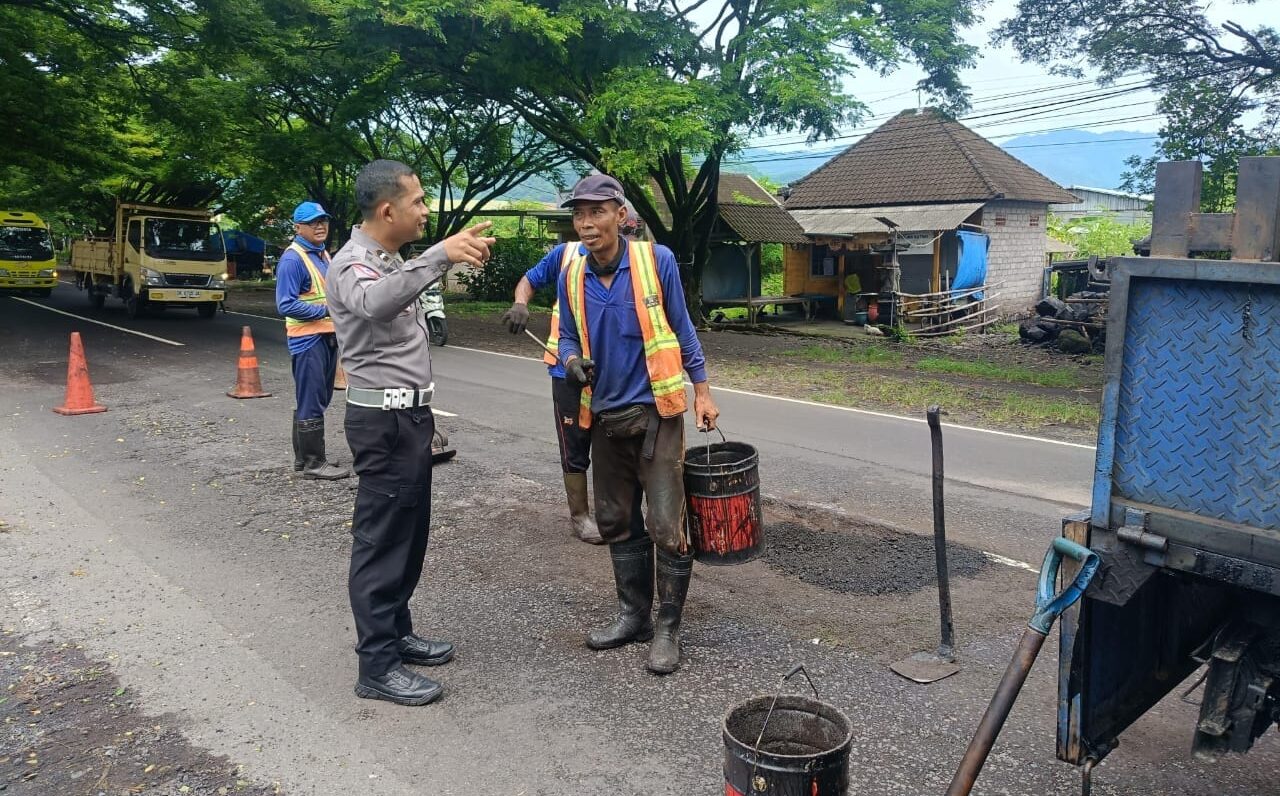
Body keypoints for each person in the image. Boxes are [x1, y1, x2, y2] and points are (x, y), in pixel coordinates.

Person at [327, 159, 495, 706]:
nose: (425, 210)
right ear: (387, 210)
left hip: (411, 420)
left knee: (409, 534)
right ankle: (375, 665)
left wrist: (433, 259)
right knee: (381, 541)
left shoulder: (390, 261)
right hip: (383, 421)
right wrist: (438, 255)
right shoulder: (353, 264)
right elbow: (377, 305)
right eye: (418, 202)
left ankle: (396, 632)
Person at [556, 174, 720, 675]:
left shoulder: (656, 261)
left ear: (621, 215)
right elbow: (565, 336)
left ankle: (668, 627)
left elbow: (682, 328)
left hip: (657, 417)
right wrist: (570, 361)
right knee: (617, 522)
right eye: (580, 214)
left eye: (598, 212)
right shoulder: (572, 275)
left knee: (667, 526)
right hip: (603, 417)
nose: (587, 223)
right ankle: (634, 616)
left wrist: (703, 390)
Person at [500, 240, 607, 545]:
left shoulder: (634, 260)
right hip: (566, 370)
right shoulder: (566, 254)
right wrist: (521, 303)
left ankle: (611, 511)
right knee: (575, 444)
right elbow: (528, 280)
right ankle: (580, 517)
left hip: (609, 371)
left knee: (610, 444)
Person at [275, 201, 350, 480]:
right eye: (312, 222)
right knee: (311, 400)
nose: (320, 226)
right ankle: (313, 462)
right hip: (307, 340)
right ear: (298, 227)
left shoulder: (321, 254)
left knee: (318, 397)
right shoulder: (293, 259)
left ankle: (302, 459)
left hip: (326, 336)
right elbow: (285, 304)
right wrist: (325, 310)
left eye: (323, 221)